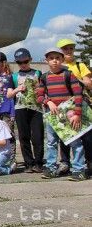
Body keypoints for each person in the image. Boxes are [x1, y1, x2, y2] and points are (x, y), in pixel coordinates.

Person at [37, 48, 88, 181]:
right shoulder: (44, 77)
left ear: (62, 59)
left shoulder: (69, 74)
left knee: (75, 142)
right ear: (46, 60)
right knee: (51, 142)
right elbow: (39, 96)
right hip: (53, 115)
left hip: (70, 115)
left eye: (58, 58)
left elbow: (78, 94)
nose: (55, 61)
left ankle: (79, 169)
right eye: (51, 58)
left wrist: (77, 114)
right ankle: (51, 168)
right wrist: (48, 102)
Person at [57, 38, 92, 175]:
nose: (69, 51)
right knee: (65, 135)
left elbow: (89, 84)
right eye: (65, 49)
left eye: (71, 48)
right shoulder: (58, 67)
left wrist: (75, 79)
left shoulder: (80, 65)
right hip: (64, 105)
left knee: (87, 135)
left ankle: (89, 162)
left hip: (81, 103)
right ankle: (65, 162)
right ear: (61, 52)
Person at [7, 48, 43, 173]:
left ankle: (38, 163)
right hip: (20, 108)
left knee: (37, 136)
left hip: (36, 108)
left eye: (25, 61)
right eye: (19, 62)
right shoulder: (14, 76)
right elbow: (9, 95)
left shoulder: (38, 73)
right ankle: (29, 163)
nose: (23, 64)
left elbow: (43, 89)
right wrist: (18, 89)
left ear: (30, 59)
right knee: (23, 136)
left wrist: (38, 90)